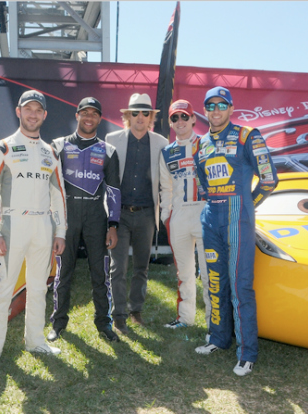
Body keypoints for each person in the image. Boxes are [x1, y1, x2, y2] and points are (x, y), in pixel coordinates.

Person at [193, 86, 278, 377]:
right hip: (210, 218)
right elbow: (203, 182)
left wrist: (246, 208)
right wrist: (214, 203)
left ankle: (247, 353)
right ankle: (218, 338)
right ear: (205, 110)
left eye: (221, 105)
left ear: (231, 108)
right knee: (215, 283)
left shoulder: (247, 135)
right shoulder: (199, 144)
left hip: (237, 220)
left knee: (240, 287)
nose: (215, 111)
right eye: (210, 106)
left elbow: (268, 180)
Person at [0, 90, 67, 371]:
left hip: (43, 226)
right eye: (27, 109)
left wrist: (60, 231)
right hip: (11, 226)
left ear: (44, 115)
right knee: (4, 289)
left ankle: (35, 340)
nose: (32, 114)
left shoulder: (50, 152)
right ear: (19, 112)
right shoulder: (2, 147)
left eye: (37, 110)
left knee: (39, 287)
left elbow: (59, 195)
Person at [47, 97, 121, 343]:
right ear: (77, 115)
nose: (89, 118)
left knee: (99, 273)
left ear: (99, 118)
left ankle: (104, 323)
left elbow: (113, 190)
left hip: (95, 216)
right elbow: (48, 184)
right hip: (66, 215)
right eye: (85, 113)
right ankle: (58, 324)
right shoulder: (57, 145)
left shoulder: (108, 151)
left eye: (94, 114)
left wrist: (113, 225)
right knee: (63, 272)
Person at [105, 93, 169, 334]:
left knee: (142, 266)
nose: (140, 117)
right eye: (135, 112)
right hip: (119, 215)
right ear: (127, 116)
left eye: (145, 112)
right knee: (117, 267)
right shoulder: (111, 139)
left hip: (145, 215)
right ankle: (118, 316)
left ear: (151, 116)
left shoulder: (161, 142)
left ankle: (136, 311)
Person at [158, 99, 210, 333]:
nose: (180, 121)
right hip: (179, 215)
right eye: (175, 118)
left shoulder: (207, 145)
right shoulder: (167, 152)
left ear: (193, 119)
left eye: (184, 116)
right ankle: (185, 318)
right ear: (170, 122)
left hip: (204, 212)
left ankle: (213, 322)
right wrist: (166, 216)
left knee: (210, 273)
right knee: (184, 272)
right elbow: (165, 187)